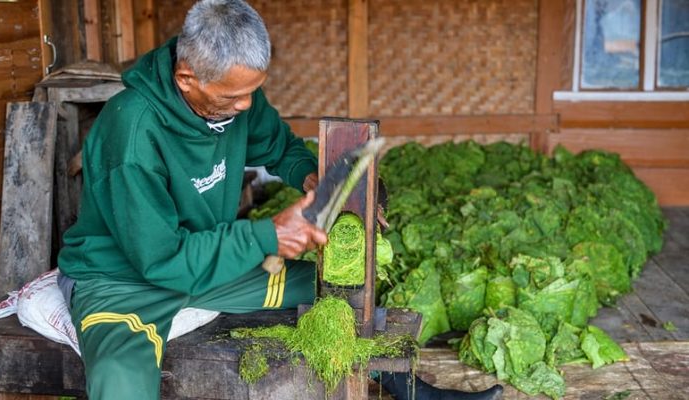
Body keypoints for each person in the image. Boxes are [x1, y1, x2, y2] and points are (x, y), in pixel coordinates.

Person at [56, 1, 502, 399]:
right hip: (123, 280)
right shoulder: (132, 134)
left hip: (205, 260)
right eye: (234, 96)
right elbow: (161, 260)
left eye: (253, 91)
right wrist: (267, 235)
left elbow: (279, 146)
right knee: (119, 377)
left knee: (341, 294)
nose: (246, 106)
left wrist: (313, 177)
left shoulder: (231, 97)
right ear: (187, 78)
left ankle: (416, 393)